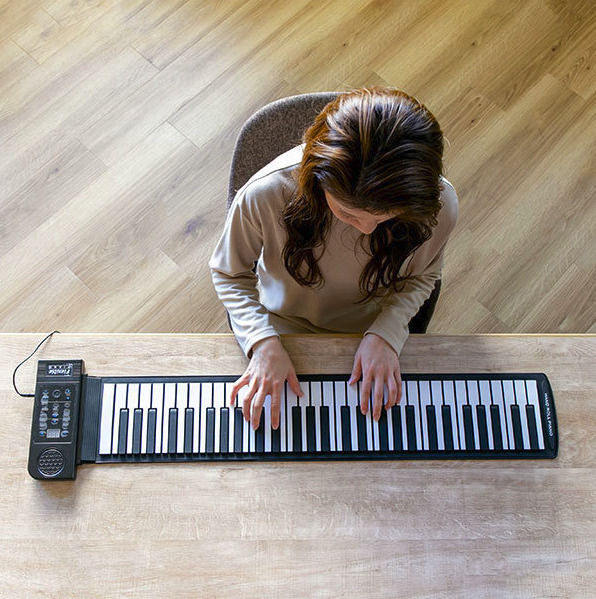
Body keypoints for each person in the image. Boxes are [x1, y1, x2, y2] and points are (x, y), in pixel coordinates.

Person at [209, 87, 458, 431]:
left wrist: (386, 333)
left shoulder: (438, 205)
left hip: (373, 329)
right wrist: (262, 342)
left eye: (386, 217)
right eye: (348, 213)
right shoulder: (265, 193)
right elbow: (228, 273)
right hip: (281, 329)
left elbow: (423, 277)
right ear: (316, 180)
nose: (368, 230)